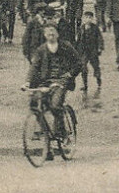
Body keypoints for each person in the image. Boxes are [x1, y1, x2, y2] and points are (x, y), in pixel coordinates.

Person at [27, 23, 80, 160]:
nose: (51, 35)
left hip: (62, 81)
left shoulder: (66, 46)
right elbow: (34, 67)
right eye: (48, 34)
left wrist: (69, 74)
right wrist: (27, 82)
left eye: (53, 33)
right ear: (45, 35)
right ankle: (47, 142)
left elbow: (78, 63)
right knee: (35, 104)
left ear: (57, 34)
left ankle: (61, 131)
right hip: (46, 82)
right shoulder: (41, 50)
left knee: (55, 105)